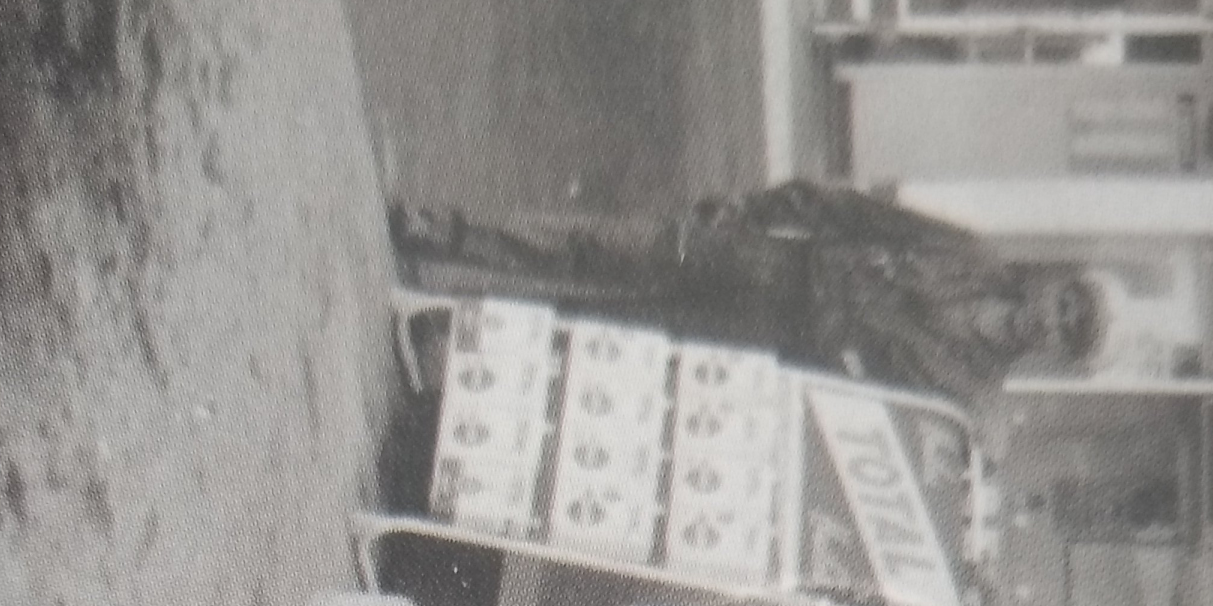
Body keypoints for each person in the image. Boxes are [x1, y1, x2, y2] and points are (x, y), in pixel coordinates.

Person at [391, 181, 1105, 421]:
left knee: (608, 333)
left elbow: (867, 415)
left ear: (1056, 355)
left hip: (768, 343)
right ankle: (447, 232)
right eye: (1067, 302)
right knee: (602, 246)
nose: (1053, 318)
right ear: (1055, 281)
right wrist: (757, 207)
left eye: (1067, 332)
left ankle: (447, 328)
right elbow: (859, 215)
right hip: (767, 260)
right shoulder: (970, 256)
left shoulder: (969, 392)